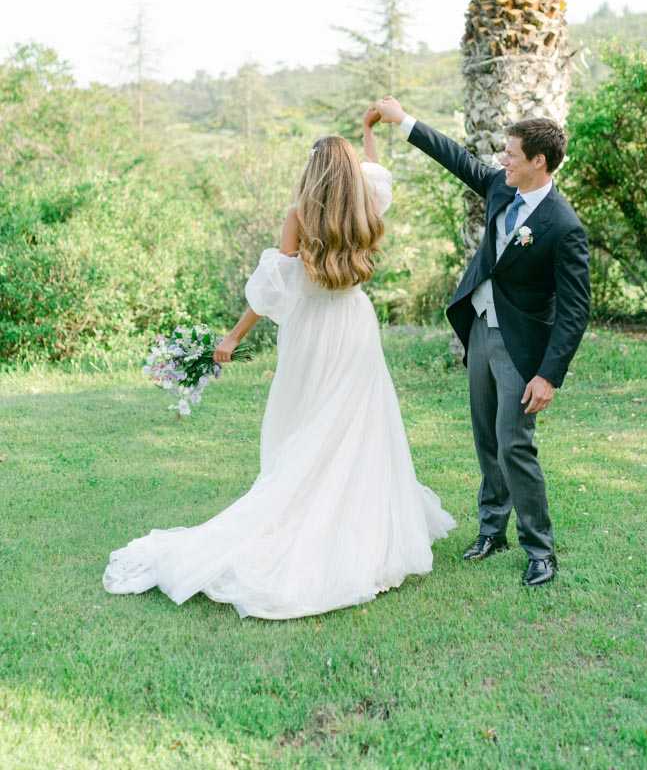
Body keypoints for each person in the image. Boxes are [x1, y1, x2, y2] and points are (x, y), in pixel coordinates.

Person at [102, 109, 455, 619]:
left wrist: (232, 335)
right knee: (355, 427)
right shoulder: (367, 205)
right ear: (352, 173)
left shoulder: (300, 216)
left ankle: (303, 514)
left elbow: (271, 293)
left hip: (312, 332)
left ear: (313, 172)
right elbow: (379, 175)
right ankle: (358, 529)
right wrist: (369, 133)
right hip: (354, 328)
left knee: (307, 424)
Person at [371, 96, 590, 587]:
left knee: (515, 446)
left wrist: (548, 375)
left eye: (511, 154)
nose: (501, 161)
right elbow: (456, 157)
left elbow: (575, 312)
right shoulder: (499, 187)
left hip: (522, 349)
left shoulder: (563, 226)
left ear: (538, 161)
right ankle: (492, 530)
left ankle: (540, 550)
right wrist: (402, 119)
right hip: (481, 331)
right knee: (485, 440)